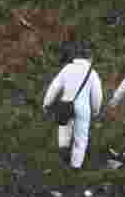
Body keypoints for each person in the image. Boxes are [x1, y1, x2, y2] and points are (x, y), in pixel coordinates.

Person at [42, 41, 104, 170]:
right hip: (83, 108)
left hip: (66, 104)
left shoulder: (67, 68)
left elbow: (54, 87)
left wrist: (46, 103)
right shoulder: (92, 73)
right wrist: (95, 110)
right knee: (80, 138)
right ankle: (75, 166)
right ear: (89, 58)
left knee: (64, 129)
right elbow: (97, 95)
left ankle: (64, 153)